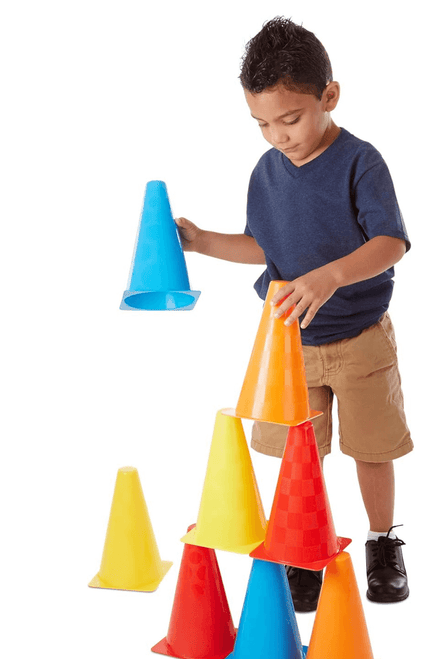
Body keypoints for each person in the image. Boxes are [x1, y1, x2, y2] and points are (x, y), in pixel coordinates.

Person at [176, 17, 413, 611]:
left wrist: (331, 275)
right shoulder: (266, 173)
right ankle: (302, 548)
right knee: (296, 457)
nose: (278, 136)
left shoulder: (361, 162)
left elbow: (391, 243)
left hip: (361, 339)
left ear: (328, 97)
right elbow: (266, 246)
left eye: (290, 119)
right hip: (289, 346)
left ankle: (382, 543)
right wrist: (204, 240)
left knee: (371, 448)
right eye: (262, 124)